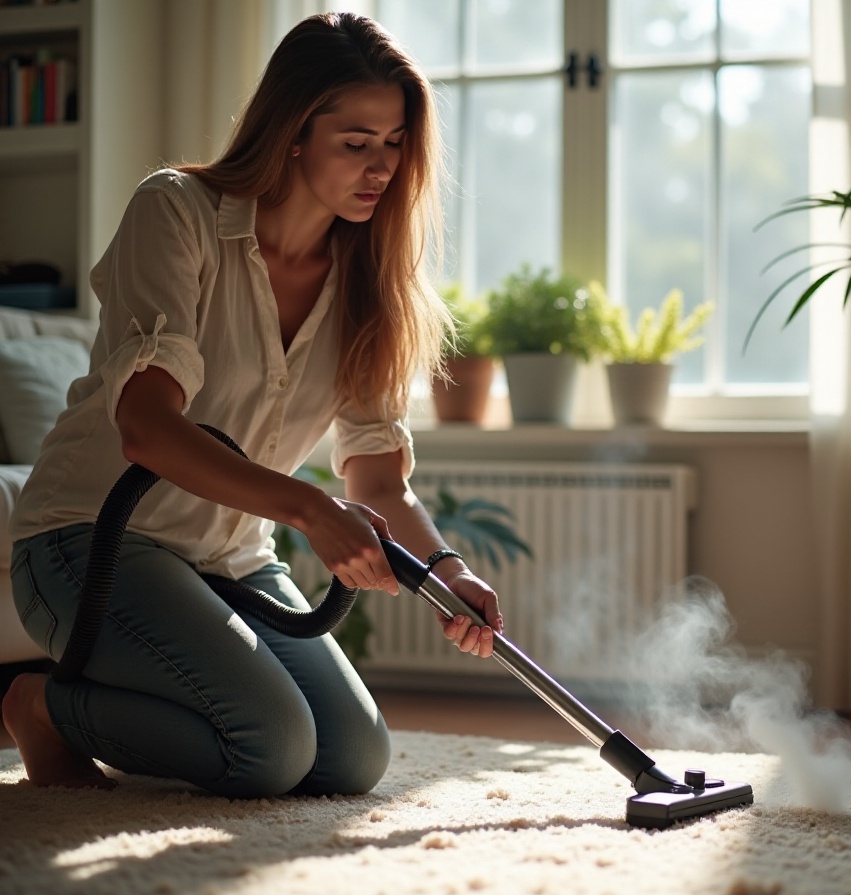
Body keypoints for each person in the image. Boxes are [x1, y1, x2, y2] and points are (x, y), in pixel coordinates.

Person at [1, 13, 502, 797]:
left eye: (396, 142)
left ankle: (85, 707)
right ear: (293, 132)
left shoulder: (369, 284)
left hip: (229, 560)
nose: (381, 166)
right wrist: (308, 509)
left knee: (350, 758)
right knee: (268, 746)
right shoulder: (177, 213)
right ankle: (43, 707)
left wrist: (447, 571)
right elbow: (147, 428)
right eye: (357, 141)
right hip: (89, 541)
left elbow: (376, 484)